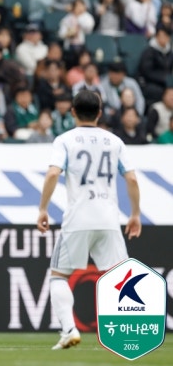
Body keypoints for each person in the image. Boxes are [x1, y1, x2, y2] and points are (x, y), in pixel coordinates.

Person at [36, 89, 142, 350]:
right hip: (108, 218)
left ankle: (69, 330)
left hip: (78, 219)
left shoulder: (65, 140)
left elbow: (53, 174)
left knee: (59, 276)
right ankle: (128, 335)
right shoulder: (115, 141)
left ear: (73, 112)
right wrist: (135, 214)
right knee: (122, 279)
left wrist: (43, 209)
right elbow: (131, 178)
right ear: (100, 113)